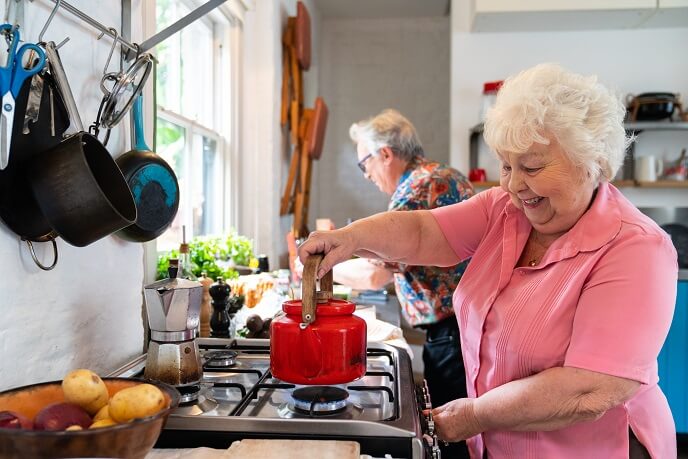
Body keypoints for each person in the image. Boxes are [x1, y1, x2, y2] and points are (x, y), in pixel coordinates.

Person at [297, 64, 678, 458]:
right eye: (507, 166)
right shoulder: (505, 210)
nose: (513, 184)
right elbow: (423, 232)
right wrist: (350, 238)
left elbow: (587, 388)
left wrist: (474, 415)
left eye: (531, 167)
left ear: (593, 163)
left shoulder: (636, 249)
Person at [325, 109, 474, 457]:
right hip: (464, 328)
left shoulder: (416, 191)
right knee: (462, 431)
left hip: (452, 335)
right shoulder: (440, 174)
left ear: (385, 154)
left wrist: (324, 266)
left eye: (365, 164)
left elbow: (378, 272)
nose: (366, 175)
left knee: (451, 436)